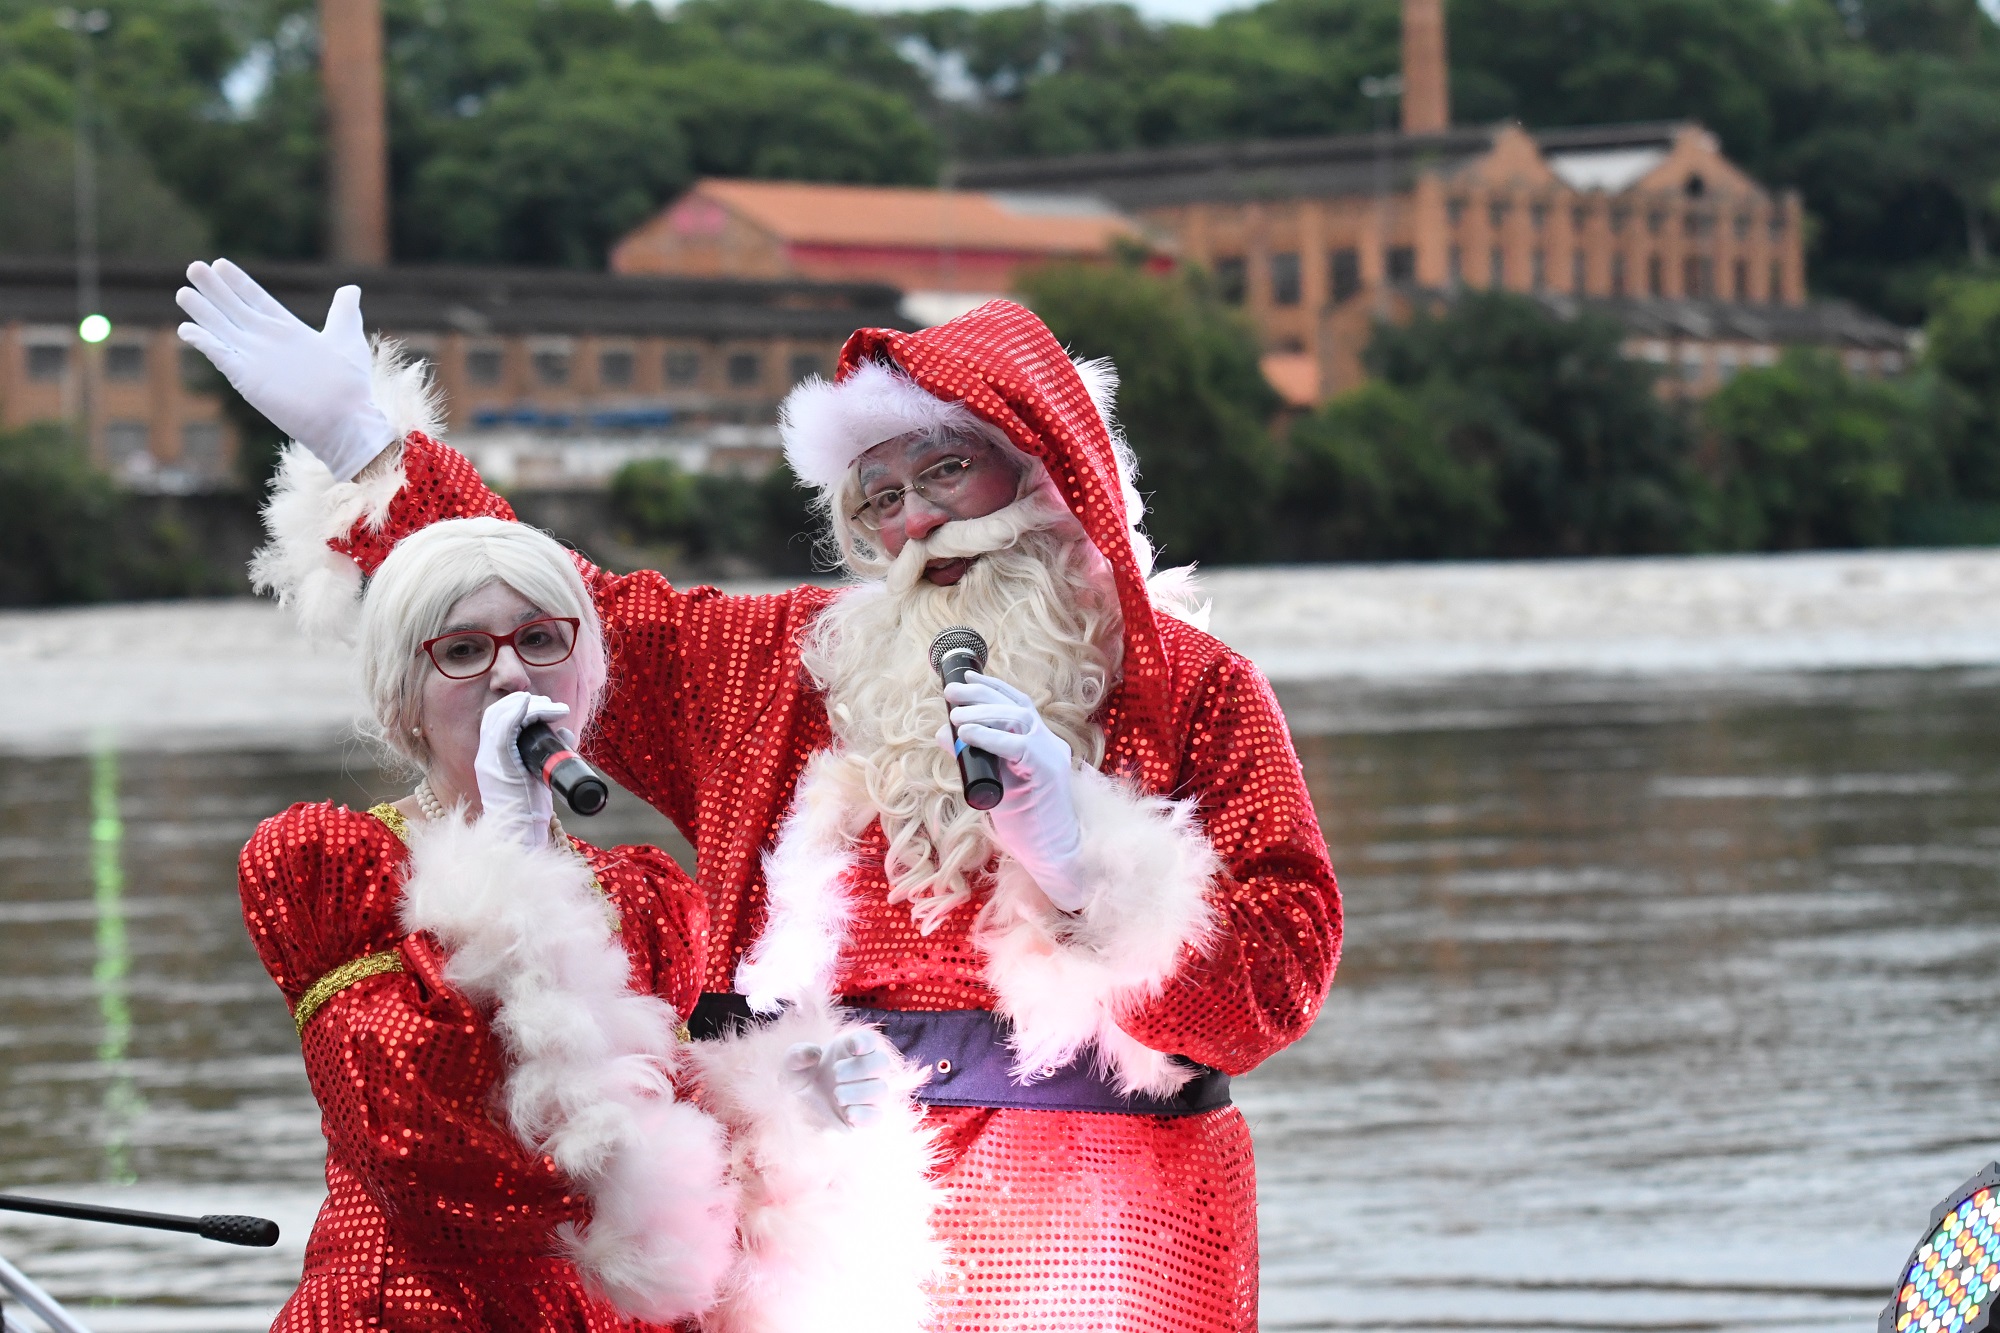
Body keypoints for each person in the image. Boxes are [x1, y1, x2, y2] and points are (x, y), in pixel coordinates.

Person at [184, 259, 1342, 1332]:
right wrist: (366, 442)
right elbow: (559, 617)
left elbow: (1278, 985)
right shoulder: (776, 665)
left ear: (1041, 465)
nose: (915, 520)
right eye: (875, 496)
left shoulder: (1189, 687)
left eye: (944, 468)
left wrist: (1087, 871)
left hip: (1104, 1232)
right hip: (806, 1226)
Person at [236, 514, 940, 1332]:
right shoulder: (335, 866)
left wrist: (789, 1106)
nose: (509, 675)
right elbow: (419, 1145)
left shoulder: (648, 900)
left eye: (539, 639)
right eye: (462, 651)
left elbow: (669, 1161)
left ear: (587, 678)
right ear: (404, 701)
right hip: (419, 1309)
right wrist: (507, 863)